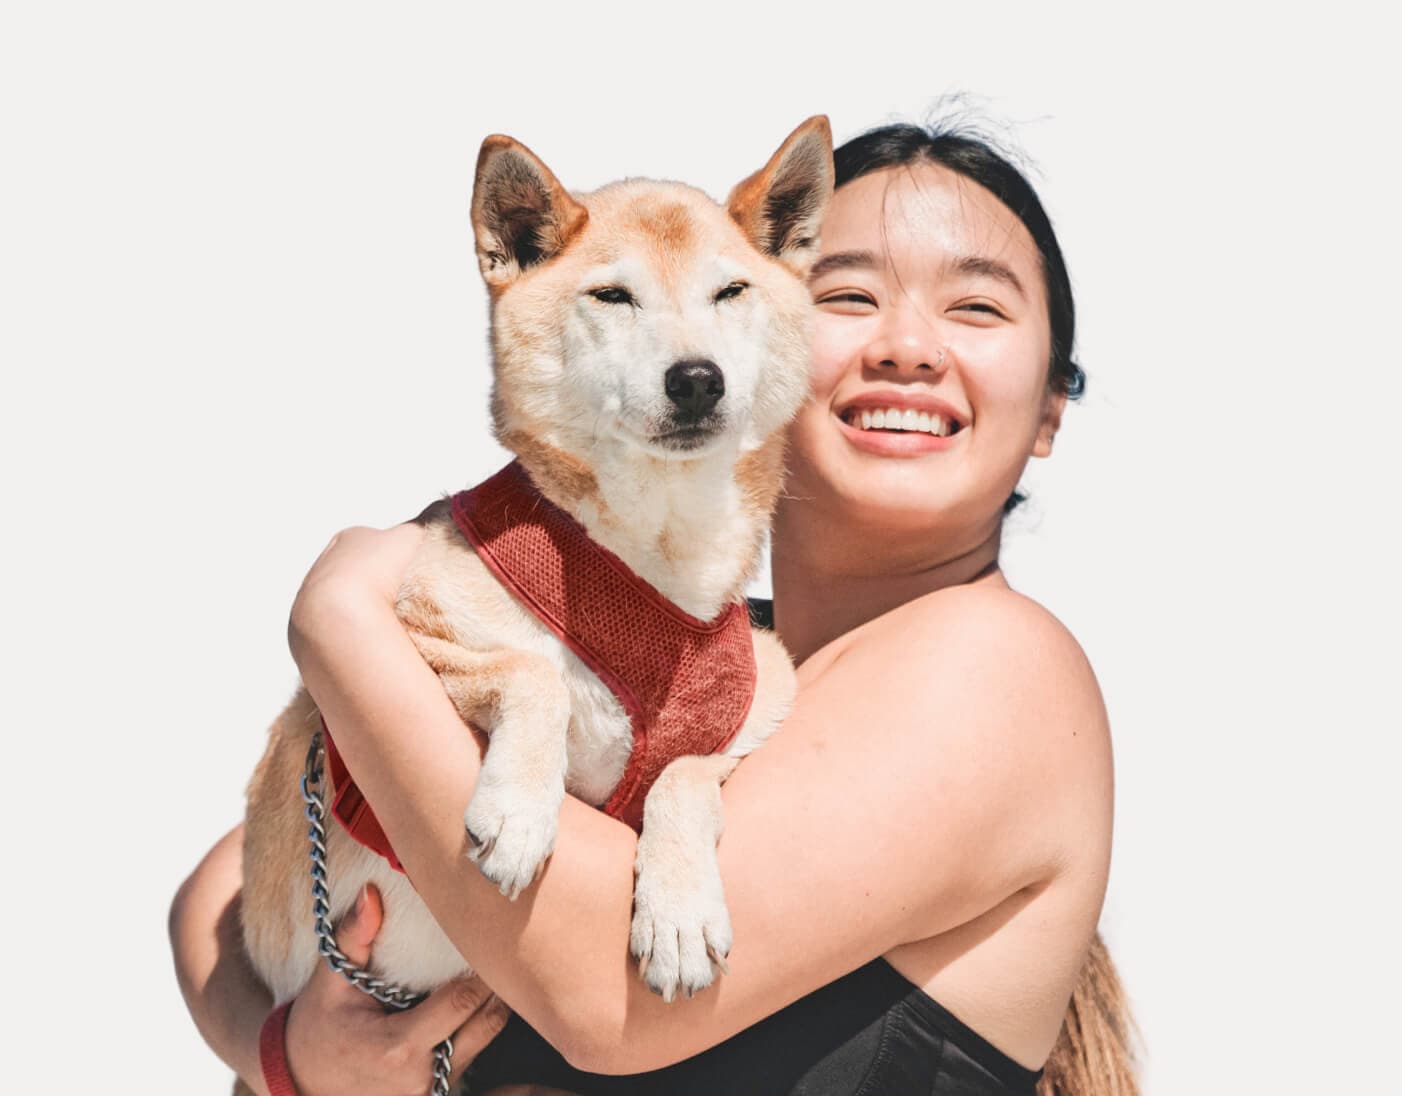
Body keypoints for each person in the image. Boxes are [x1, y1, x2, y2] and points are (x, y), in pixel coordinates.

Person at [170, 120, 1138, 1095]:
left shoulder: (993, 667)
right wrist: (289, 1053)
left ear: (1053, 405)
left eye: (975, 307)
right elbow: (222, 893)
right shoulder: (701, 659)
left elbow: (605, 995)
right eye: (846, 293)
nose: (907, 347)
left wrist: (341, 621)